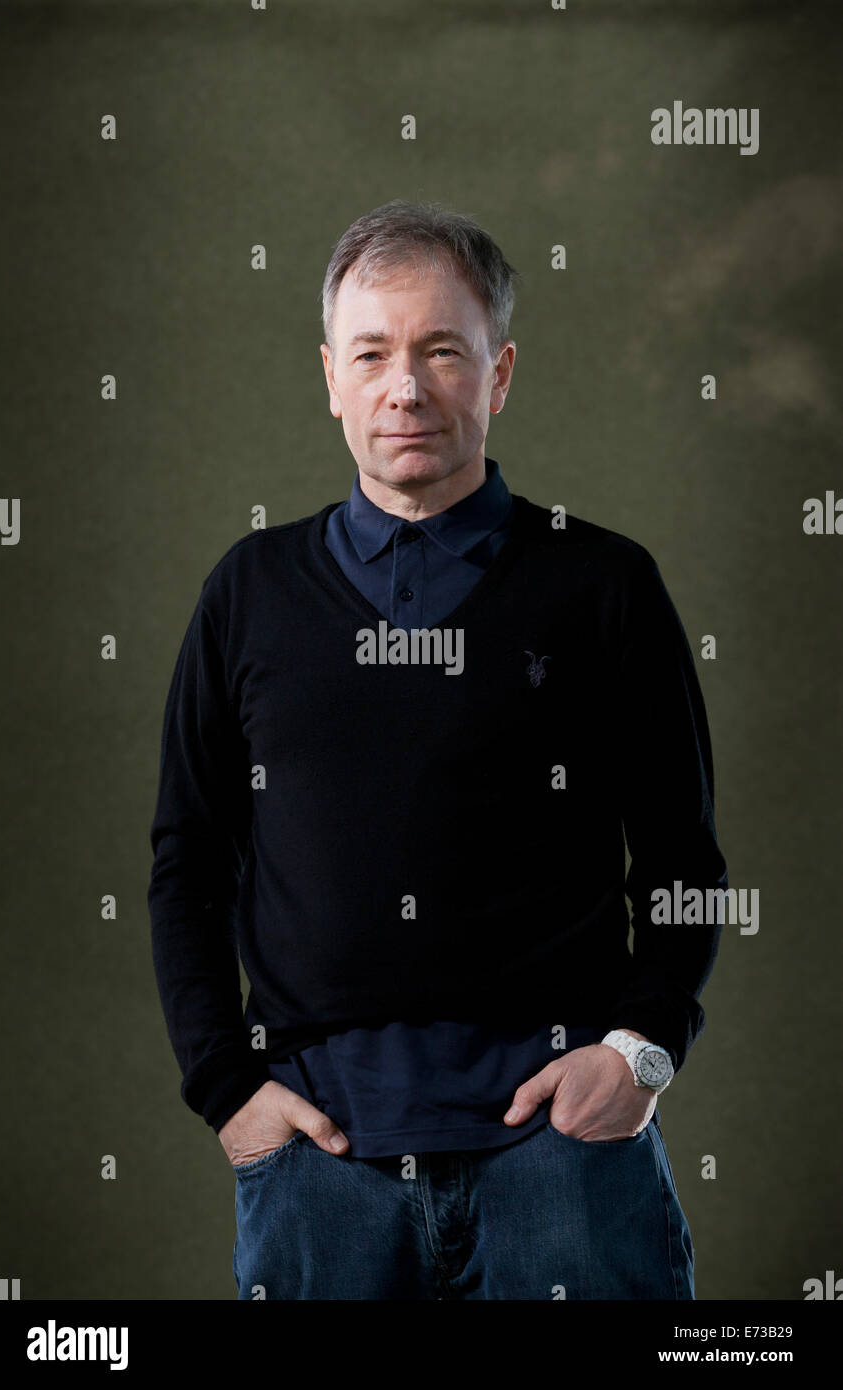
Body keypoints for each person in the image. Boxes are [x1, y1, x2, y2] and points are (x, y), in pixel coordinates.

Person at [147, 199, 728, 1300]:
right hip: (321, 1165)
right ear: (329, 377)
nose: (403, 387)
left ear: (498, 373)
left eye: (440, 352)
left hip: (563, 1161)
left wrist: (641, 1051)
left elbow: (682, 865)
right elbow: (187, 861)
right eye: (370, 353)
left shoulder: (601, 586)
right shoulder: (248, 591)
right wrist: (226, 1089)